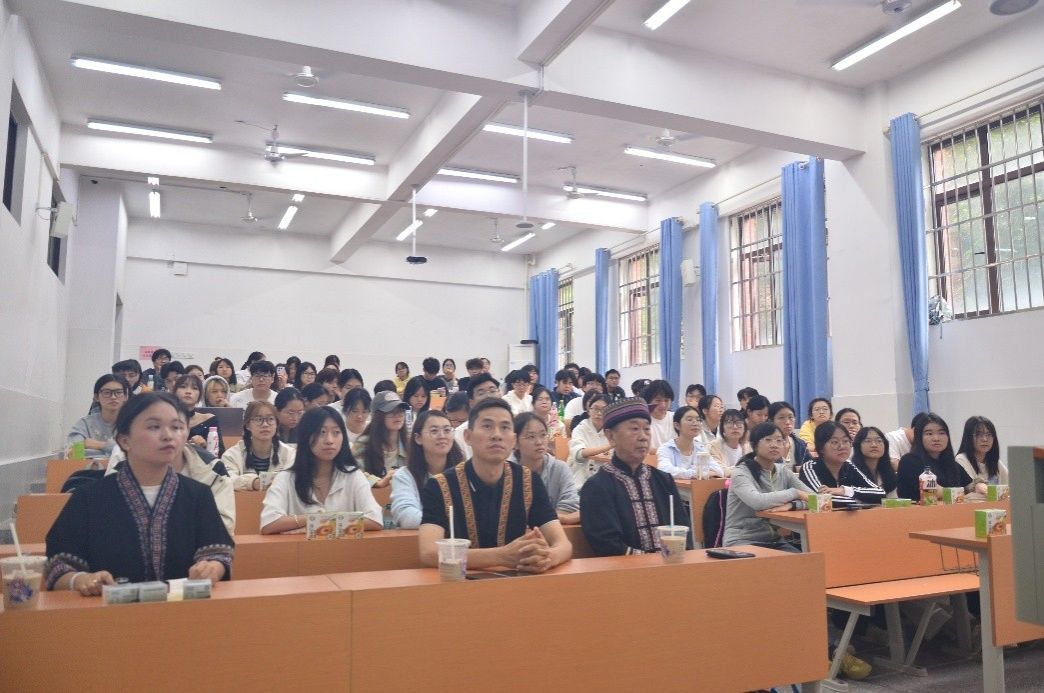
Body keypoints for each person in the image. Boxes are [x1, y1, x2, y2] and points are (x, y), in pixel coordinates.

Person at [46, 392, 233, 593]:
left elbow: (219, 554)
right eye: (154, 427)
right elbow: (58, 566)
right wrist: (81, 580)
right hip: (106, 610)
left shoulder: (198, 495)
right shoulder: (88, 498)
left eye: (177, 427)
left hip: (182, 608)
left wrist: (212, 569)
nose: (168, 435)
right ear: (124, 440)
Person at [419, 399, 572, 573]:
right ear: (467, 437)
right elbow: (428, 552)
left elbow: (563, 544)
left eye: (505, 427)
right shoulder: (440, 485)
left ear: (513, 440)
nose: (497, 435)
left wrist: (548, 558)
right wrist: (501, 556)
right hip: (459, 583)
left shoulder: (528, 481)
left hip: (515, 582)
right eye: (487, 426)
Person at [580, 398, 691, 556]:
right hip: (623, 569)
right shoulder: (597, 487)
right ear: (610, 436)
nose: (643, 437)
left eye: (647, 429)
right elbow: (607, 544)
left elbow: (683, 531)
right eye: (634, 429)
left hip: (669, 565)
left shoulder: (663, 480)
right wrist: (651, 560)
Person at [261, 407, 382, 534]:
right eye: (321, 432)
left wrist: (321, 525)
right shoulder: (286, 478)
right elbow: (268, 523)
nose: (329, 440)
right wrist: (313, 520)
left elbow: (375, 519)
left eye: (336, 432)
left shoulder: (353, 475)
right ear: (306, 436)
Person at [722, 422, 816, 550]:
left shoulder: (783, 471)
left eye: (779, 440)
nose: (774, 445)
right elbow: (758, 502)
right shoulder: (741, 472)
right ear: (754, 445)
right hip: (743, 540)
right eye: (768, 440)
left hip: (774, 540)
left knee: (806, 561)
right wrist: (795, 493)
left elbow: (816, 499)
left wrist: (793, 505)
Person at [390, 410, 465, 529]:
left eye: (447, 430)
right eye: (434, 431)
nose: (442, 436)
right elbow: (406, 516)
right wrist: (452, 524)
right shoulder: (405, 475)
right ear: (418, 438)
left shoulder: (464, 472)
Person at [514, 413, 580, 524]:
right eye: (531, 437)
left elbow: (571, 505)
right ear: (515, 442)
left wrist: (547, 523)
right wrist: (556, 518)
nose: (539, 442)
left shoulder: (560, 468)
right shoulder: (506, 471)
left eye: (543, 435)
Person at [799, 422, 885, 506]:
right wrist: (860, 501)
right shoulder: (810, 467)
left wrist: (844, 491)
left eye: (845, 441)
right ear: (821, 448)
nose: (842, 446)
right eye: (834, 442)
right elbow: (820, 499)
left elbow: (880, 493)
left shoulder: (848, 466)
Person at [221, 400, 296, 492]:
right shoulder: (231, 455)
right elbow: (227, 481)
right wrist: (254, 483)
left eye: (270, 419)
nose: (265, 424)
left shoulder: (290, 454)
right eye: (258, 419)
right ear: (247, 425)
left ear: (276, 424)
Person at [896, 413, 973, 502]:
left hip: (949, 509)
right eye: (929, 433)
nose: (936, 438)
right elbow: (934, 491)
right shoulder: (909, 461)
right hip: (919, 510)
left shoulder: (951, 464)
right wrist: (962, 495)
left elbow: (971, 486)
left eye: (941, 433)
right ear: (919, 437)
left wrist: (979, 486)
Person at [352, 391, 409, 487]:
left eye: (401, 410)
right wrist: (378, 482)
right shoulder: (363, 443)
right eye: (391, 411)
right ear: (377, 416)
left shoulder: (409, 443)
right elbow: (355, 473)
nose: (397, 415)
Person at [67, 375, 128, 461]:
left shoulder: (132, 423)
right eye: (107, 392)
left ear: (125, 396)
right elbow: (76, 454)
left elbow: (134, 451)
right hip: (87, 468)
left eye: (118, 392)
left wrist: (100, 445)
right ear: (96, 397)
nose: (113, 397)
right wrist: (116, 450)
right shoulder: (84, 424)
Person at [658, 406, 723, 480]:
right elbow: (665, 469)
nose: (695, 423)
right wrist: (696, 473)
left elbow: (719, 471)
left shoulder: (700, 447)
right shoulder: (666, 448)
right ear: (677, 425)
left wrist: (699, 473)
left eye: (698, 420)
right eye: (689, 420)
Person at [955, 415, 1008, 496]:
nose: (984, 439)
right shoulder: (961, 460)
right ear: (968, 437)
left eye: (989, 434)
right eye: (978, 434)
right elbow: (970, 488)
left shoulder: (995, 462)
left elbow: (1010, 486)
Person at [568, 394, 613, 488]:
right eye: (595, 408)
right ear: (589, 410)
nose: (599, 413)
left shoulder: (613, 431)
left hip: (606, 483)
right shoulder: (580, 429)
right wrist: (609, 446)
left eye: (604, 409)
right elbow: (579, 454)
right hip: (581, 482)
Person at [172, 374, 224, 456]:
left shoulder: (209, 419)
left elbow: (220, 453)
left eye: (194, 388)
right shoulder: (166, 420)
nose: (188, 391)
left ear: (200, 395)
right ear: (174, 392)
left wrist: (205, 445)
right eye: (183, 386)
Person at [453, 373, 500, 459]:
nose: (488, 396)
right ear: (471, 403)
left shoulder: (511, 427)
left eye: (493, 391)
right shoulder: (459, 434)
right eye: (481, 393)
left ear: (500, 395)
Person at [851, 426, 898, 498]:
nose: (874, 445)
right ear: (858, 445)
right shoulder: (850, 471)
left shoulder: (890, 473)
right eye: (868, 441)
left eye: (879, 441)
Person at [769, 401, 812, 469]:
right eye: (781, 417)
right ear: (771, 421)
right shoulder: (766, 446)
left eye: (790, 417)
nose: (787, 422)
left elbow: (811, 466)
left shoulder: (800, 444)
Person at [707, 409, 751, 475]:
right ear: (722, 428)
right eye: (730, 423)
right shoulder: (714, 446)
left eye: (739, 423)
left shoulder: (748, 448)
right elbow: (719, 471)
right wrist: (743, 468)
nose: (735, 427)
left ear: (744, 428)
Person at [641, 380, 676, 449]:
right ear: (649, 400)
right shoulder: (643, 420)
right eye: (658, 400)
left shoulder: (676, 417)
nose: (663, 405)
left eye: (666, 400)